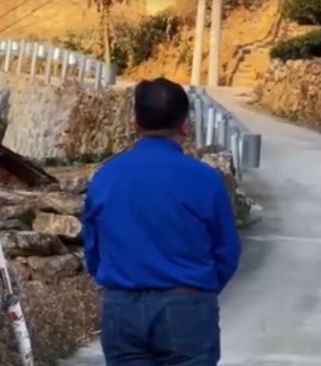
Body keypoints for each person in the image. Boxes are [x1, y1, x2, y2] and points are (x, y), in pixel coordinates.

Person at [82, 77, 241, 366]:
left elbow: (92, 248)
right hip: (186, 306)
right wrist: (198, 290)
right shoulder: (205, 179)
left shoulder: (107, 176)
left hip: (122, 307)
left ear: (135, 124)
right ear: (185, 125)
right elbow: (227, 251)